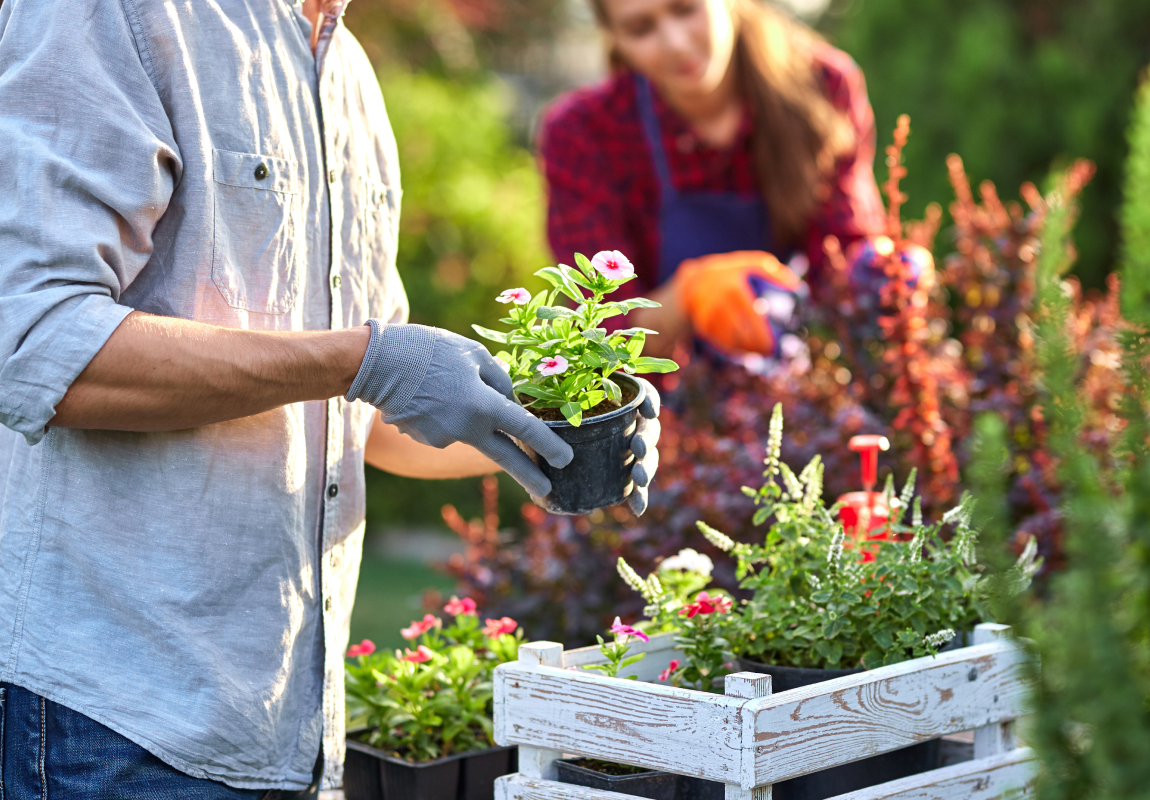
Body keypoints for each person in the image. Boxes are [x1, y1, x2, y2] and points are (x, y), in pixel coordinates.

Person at [0, 0, 659, 796]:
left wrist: (543, 435)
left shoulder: (346, 72)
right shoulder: (114, 14)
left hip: (291, 728)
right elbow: (37, 340)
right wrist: (361, 361)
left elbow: (365, 417)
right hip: (118, 720)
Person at [539, 0, 910, 362]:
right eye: (641, 28)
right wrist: (686, 297)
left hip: (799, 369)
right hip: (669, 401)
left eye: (685, 9)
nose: (676, 43)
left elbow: (839, 256)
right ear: (614, 37)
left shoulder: (822, 87)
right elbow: (602, 328)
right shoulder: (582, 134)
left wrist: (879, 274)